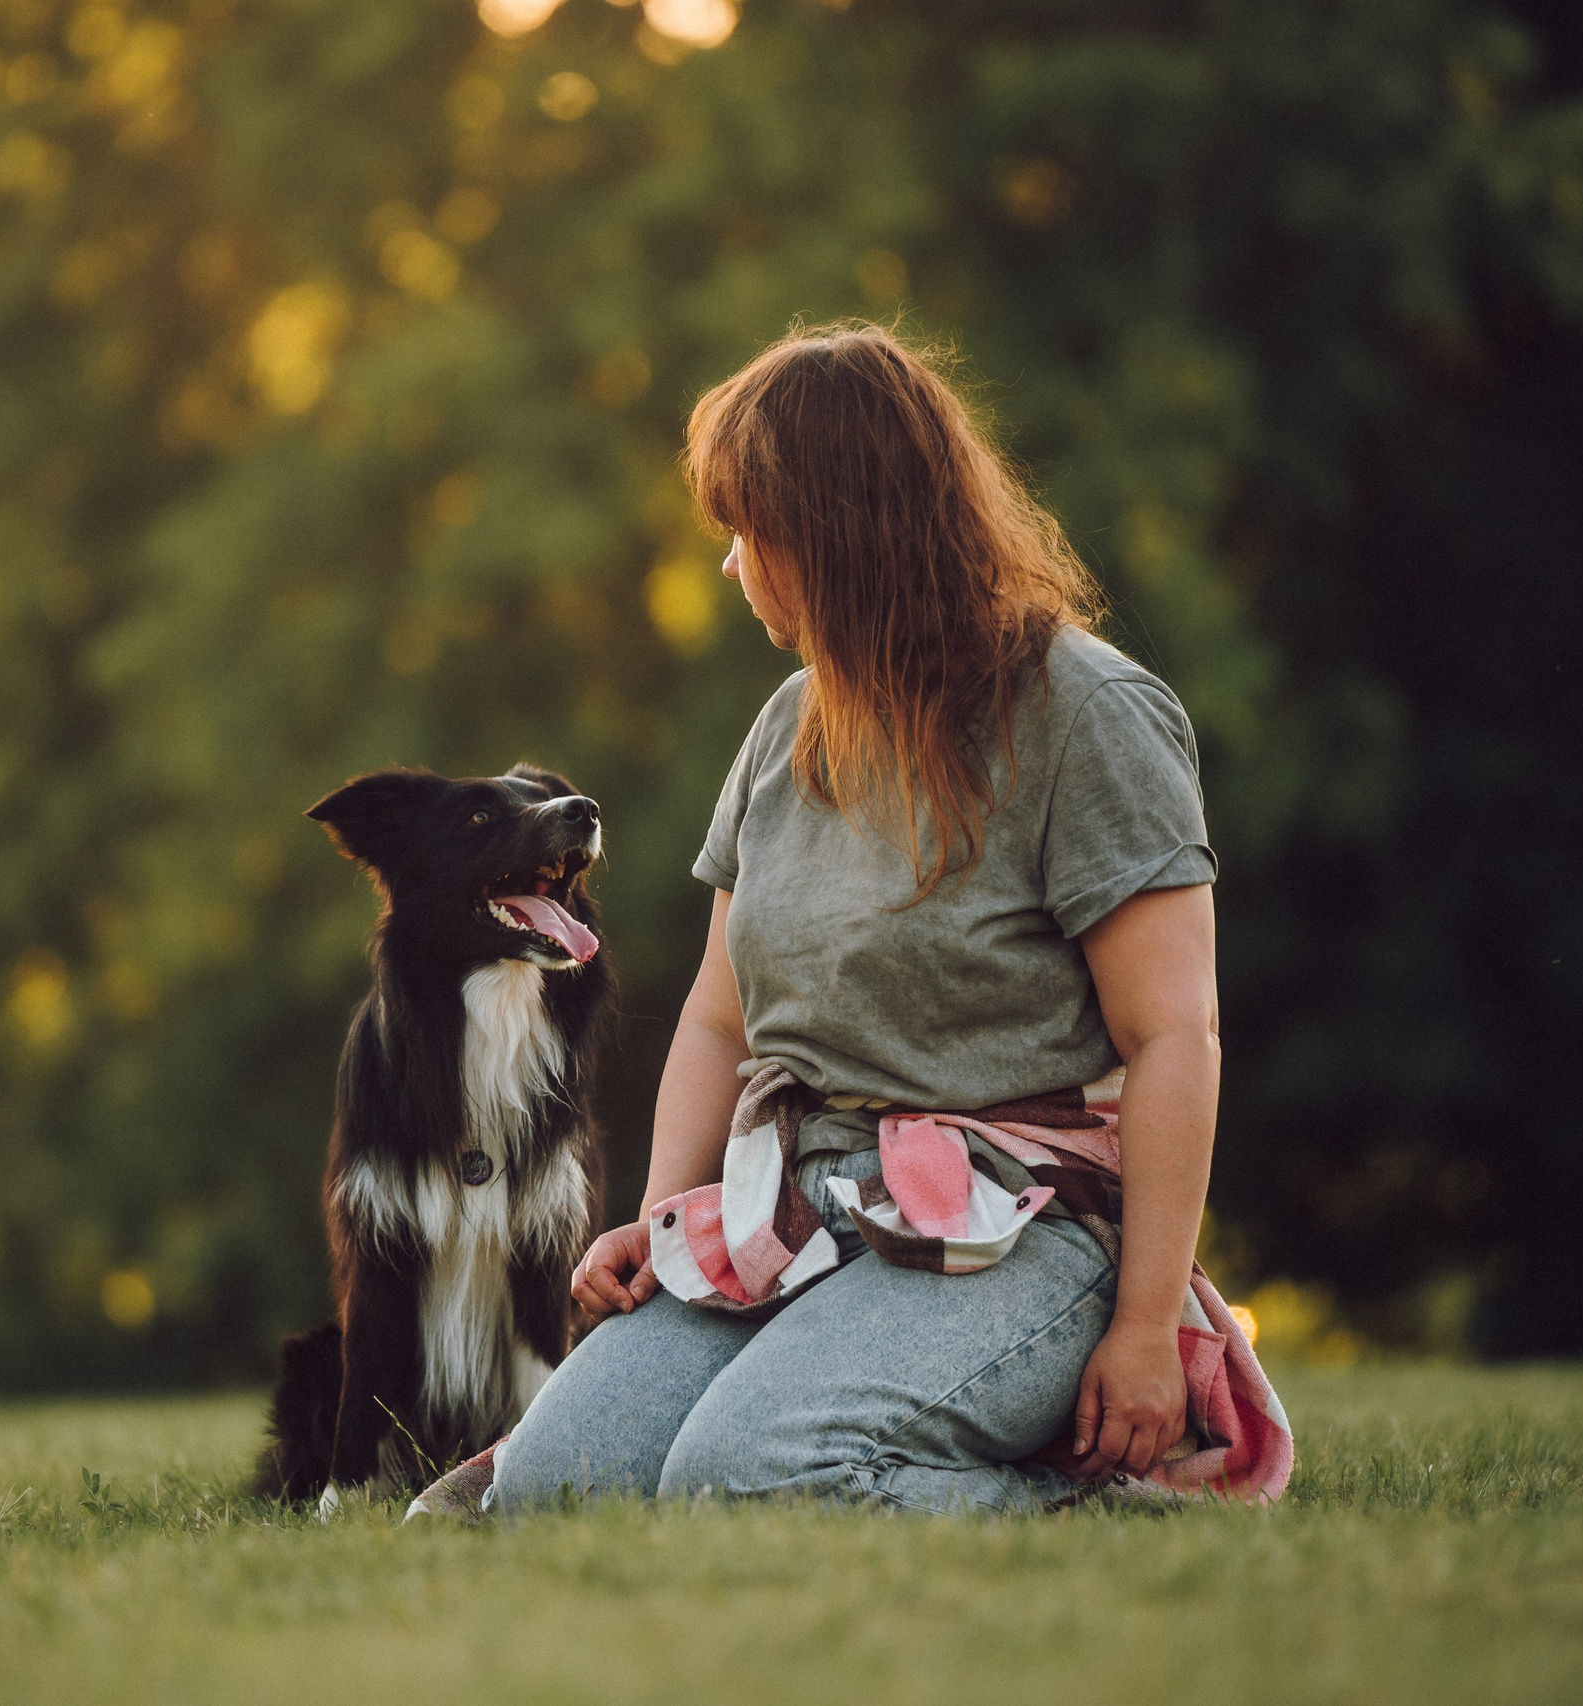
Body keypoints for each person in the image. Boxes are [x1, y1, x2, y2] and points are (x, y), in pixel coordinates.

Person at [488, 323, 1222, 1514]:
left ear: (830, 536)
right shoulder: (787, 726)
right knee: (555, 1491)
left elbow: (1173, 1038)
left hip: (1022, 1231)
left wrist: (1143, 1329)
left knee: (748, 1475)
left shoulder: (1088, 715)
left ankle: (1108, 1515)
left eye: (746, 533)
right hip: (798, 1211)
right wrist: (656, 1220)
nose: (729, 566)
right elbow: (721, 1020)